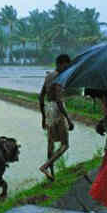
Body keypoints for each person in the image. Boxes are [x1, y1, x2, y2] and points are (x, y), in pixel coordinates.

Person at [38, 54, 74, 182]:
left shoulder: (48, 76)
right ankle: (45, 166)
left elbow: (41, 96)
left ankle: (52, 175)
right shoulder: (59, 78)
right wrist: (69, 119)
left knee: (51, 143)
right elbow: (59, 100)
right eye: (67, 65)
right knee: (65, 145)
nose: (67, 68)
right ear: (62, 64)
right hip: (57, 110)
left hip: (49, 109)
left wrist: (43, 117)